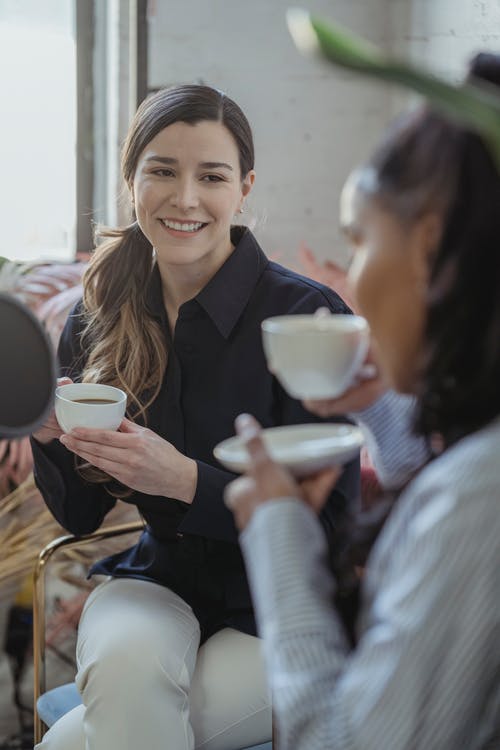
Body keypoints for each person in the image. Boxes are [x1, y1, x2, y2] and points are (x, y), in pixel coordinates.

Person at [30, 84, 365, 750]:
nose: (185, 199)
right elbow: (79, 518)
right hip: (158, 581)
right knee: (125, 661)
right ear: (132, 183)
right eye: (161, 171)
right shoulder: (98, 313)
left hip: (287, 611)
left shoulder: (310, 318)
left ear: (243, 188)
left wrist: (186, 480)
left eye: (210, 176)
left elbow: (332, 531)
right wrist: (50, 438)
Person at [225, 55, 500, 749]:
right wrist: (386, 404)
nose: (349, 278)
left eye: (359, 240)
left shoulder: (481, 498)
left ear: (427, 245)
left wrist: (281, 535)